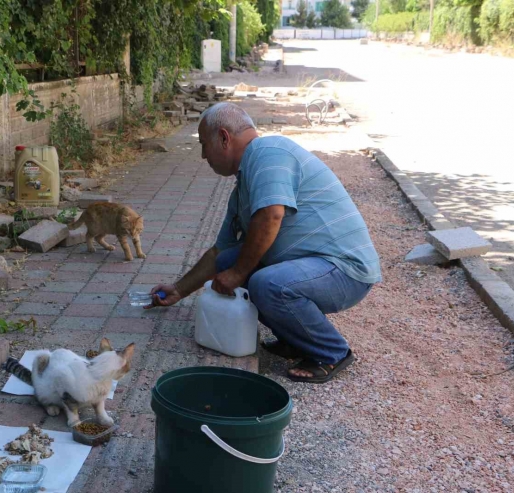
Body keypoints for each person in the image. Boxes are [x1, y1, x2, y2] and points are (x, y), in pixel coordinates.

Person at [146, 102, 381, 384]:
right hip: (315, 268)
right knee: (230, 262)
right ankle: (295, 340)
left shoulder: (268, 152)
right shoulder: (243, 185)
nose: (202, 155)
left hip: (344, 271)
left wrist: (238, 273)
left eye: (203, 144)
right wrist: (178, 290)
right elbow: (219, 252)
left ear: (224, 137)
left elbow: (271, 216)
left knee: (265, 282)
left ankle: (331, 352)